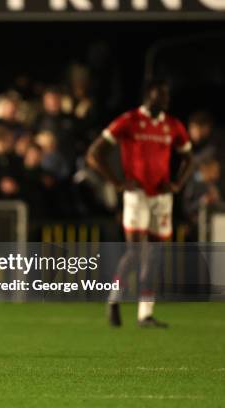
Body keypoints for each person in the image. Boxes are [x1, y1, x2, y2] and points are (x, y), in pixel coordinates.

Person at [86, 80, 193, 328]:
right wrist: (117, 182)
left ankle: (145, 314)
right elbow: (95, 153)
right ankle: (114, 299)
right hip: (137, 196)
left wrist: (177, 184)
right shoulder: (129, 120)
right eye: (161, 97)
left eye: (167, 98)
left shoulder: (172, 125)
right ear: (148, 96)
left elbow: (189, 158)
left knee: (154, 255)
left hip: (161, 197)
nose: (165, 102)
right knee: (134, 252)